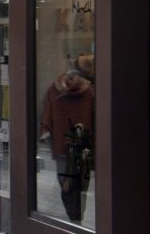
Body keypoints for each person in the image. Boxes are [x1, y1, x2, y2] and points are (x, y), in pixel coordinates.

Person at [40, 54, 94, 223]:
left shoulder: (54, 89)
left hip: (61, 147)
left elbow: (46, 118)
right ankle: (78, 216)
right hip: (84, 146)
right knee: (82, 184)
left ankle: (73, 217)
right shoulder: (90, 91)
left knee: (66, 183)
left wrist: (47, 134)